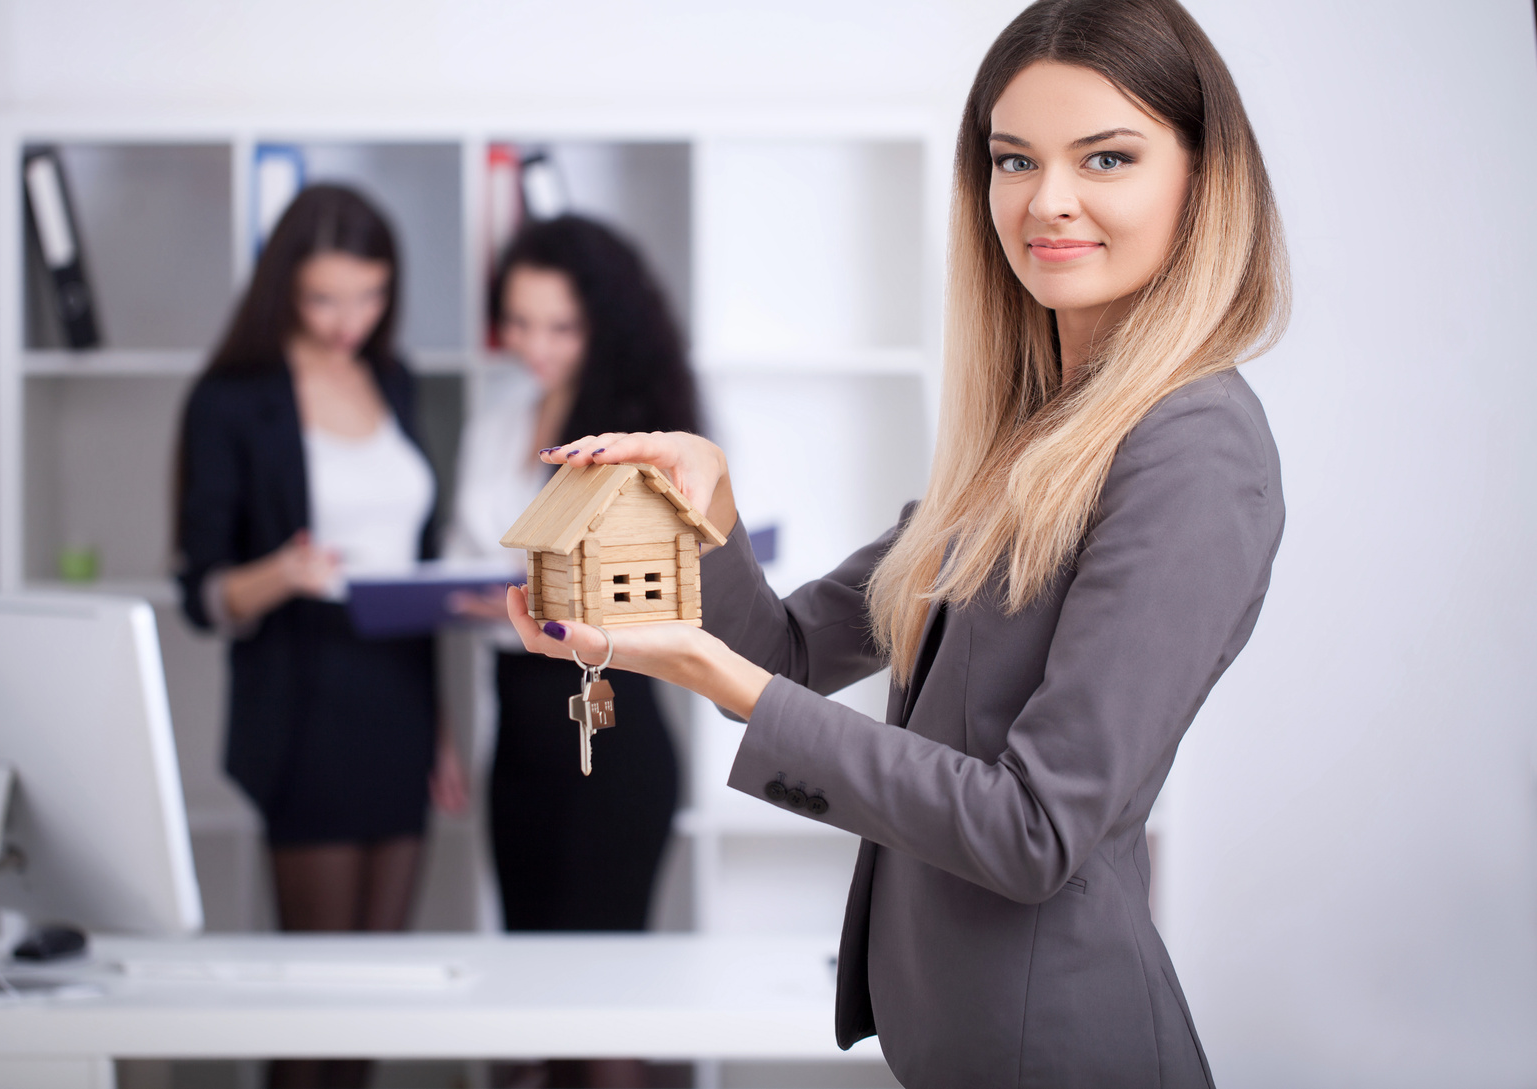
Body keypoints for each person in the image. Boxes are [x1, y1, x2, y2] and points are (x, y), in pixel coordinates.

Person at [505, 0, 1289, 1085]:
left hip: (1061, 1050)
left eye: (1107, 157)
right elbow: (789, 656)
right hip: (956, 1045)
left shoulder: (1193, 451)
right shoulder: (1034, 438)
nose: (1048, 202)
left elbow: (1033, 830)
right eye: (1015, 161)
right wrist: (714, 517)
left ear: (1204, 181)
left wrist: (720, 682)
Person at [175, 184, 467, 1089]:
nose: (351, 320)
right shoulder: (231, 399)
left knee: (371, 997)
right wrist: (283, 571)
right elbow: (202, 595)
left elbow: (416, 557)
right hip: (303, 700)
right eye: (325, 299)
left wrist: (444, 729)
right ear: (283, 290)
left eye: (371, 295)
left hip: (398, 690)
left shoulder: (395, 377)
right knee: (313, 994)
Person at [447, 214, 700, 1088]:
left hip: (610, 727)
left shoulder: (641, 429)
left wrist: (540, 586)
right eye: (518, 322)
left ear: (604, 323)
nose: (534, 346)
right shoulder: (496, 421)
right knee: (535, 1004)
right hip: (515, 732)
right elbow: (454, 555)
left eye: (559, 326)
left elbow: (666, 584)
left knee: (602, 1013)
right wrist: (482, 592)